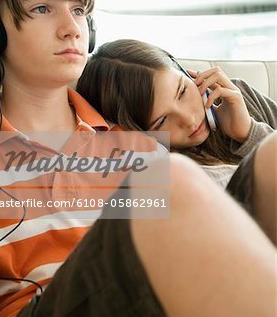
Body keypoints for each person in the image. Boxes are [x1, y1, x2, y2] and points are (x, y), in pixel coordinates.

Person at [0, 0, 276, 317]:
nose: (72, 28)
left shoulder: (127, 137)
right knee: (177, 182)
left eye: (78, 10)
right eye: (42, 8)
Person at [77, 39, 277, 223]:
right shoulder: (168, 174)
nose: (189, 120)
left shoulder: (236, 96)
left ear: (185, 71)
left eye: (182, 91)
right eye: (162, 121)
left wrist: (249, 131)